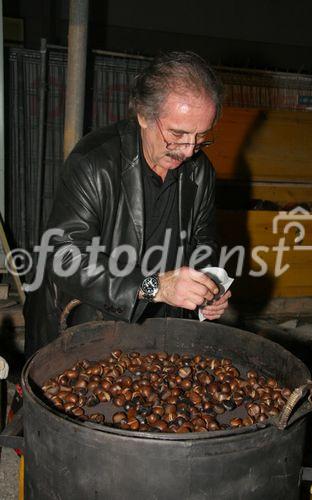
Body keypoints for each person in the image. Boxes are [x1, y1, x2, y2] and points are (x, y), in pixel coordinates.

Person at [23, 51, 230, 359]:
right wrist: (153, 287)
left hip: (159, 326)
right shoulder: (94, 162)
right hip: (84, 322)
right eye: (177, 134)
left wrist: (208, 285)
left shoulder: (200, 171)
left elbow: (204, 242)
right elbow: (64, 256)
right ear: (144, 115)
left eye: (201, 138)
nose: (189, 151)